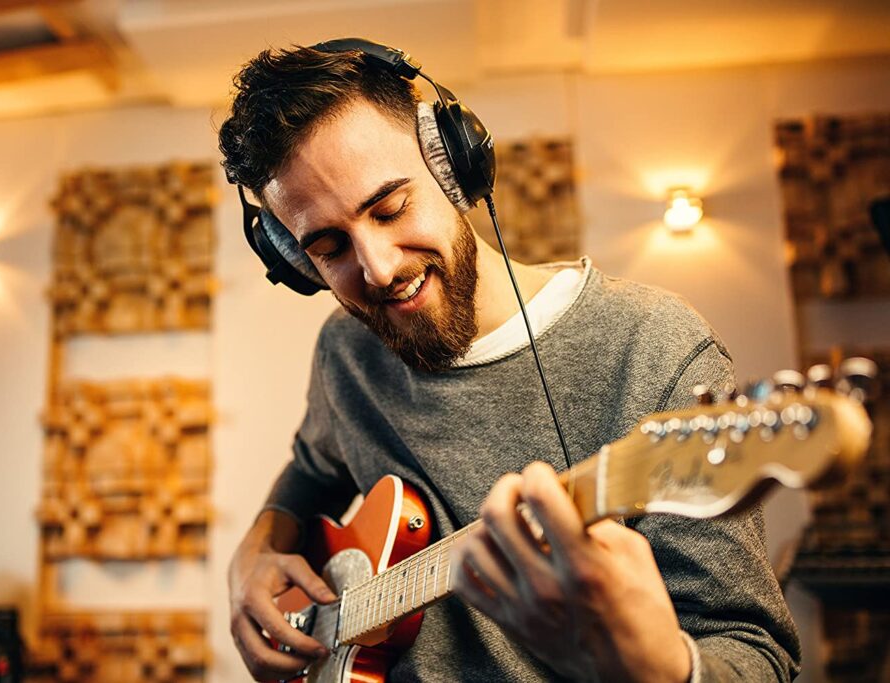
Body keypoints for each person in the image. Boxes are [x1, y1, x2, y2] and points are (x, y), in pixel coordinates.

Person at [218, 41, 801, 682]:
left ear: (451, 166)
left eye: (390, 208)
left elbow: (756, 655)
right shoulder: (345, 350)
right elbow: (311, 466)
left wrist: (657, 667)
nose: (378, 268)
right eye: (330, 247)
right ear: (297, 263)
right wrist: (256, 549)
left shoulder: (650, 347)